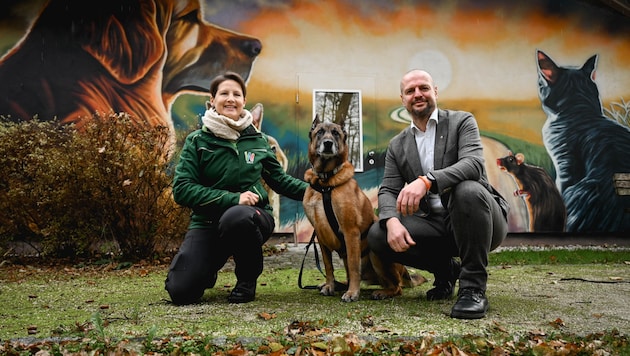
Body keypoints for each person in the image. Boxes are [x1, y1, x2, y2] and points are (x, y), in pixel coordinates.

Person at [367, 69, 509, 319]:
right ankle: (446, 271)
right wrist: (390, 221)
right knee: (378, 234)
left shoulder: (461, 122)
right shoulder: (397, 144)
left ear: (435, 92)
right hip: (435, 224)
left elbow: (474, 165)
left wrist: (427, 180)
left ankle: (473, 290)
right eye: (410, 91)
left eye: (423, 88)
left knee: (467, 189)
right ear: (403, 99)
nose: (417, 94)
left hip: (480, 220)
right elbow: (388, 189)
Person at [165, 71, 308, 305]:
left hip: (252, 218)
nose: (230, 98)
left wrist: (318, 191)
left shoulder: (257, 140)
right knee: (180, 291)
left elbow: (280, 181)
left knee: (237, 217)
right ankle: (207, 267)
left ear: (244, 101)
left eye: (237, 94)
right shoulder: (197, 141)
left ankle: (246, 280)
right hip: (207, 223)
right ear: (212, 100)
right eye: (224, 93)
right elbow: (182, 189)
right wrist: (233, 198)